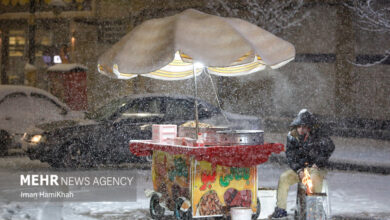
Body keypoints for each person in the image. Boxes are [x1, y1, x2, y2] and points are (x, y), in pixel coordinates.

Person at [270, 109, 335, 218]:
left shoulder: (318, 135)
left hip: (316, 168)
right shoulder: (293, 136)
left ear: (309, 127)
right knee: (284, 178)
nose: (301, 129)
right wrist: (299, 169)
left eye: (304, 127)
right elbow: (290, 156)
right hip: (301, 169)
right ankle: (281, 210)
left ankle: (314, 210)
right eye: (299, 126)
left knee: (314, 179)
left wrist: (318, 163)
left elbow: (330, 147)